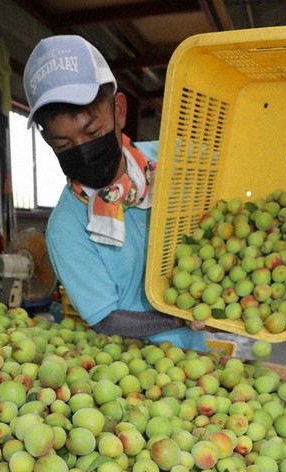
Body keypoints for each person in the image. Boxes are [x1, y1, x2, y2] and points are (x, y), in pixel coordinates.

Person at [23, 34, 206, 351]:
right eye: (63, 145)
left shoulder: (170, 162)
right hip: (128, 372)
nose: (82, 151)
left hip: (195, 359)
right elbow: (106, 319)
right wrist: (178, 319)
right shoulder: (67, 226)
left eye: (92, 132)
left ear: (119, 110)